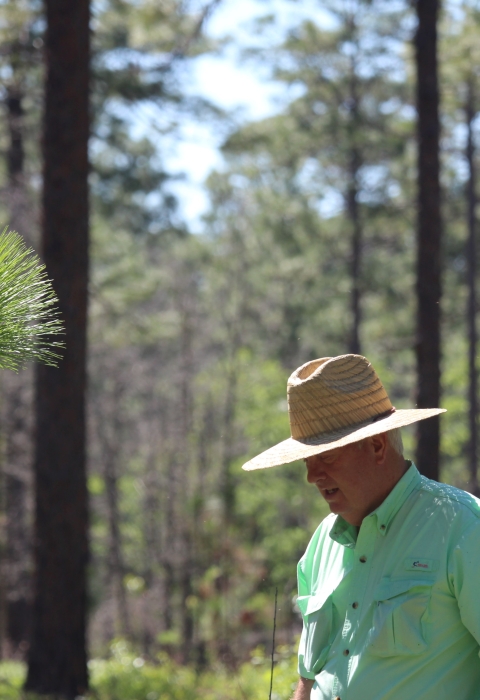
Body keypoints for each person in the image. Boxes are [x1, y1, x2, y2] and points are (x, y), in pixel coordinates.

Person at [242, 354, 480, 700]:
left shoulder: (461, 526)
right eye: (307, 461)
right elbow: (308, 680)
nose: (312, 476)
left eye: (326, 456)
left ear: (377, 446)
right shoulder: (322, 542)